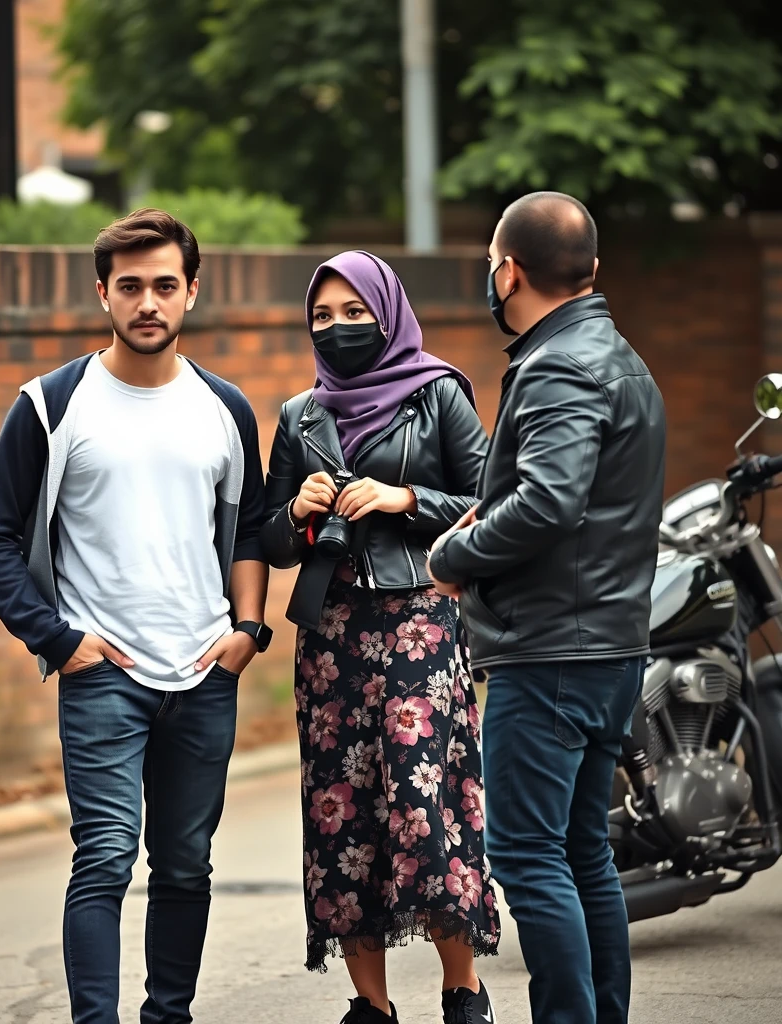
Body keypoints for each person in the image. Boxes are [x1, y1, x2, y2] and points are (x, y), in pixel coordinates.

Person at [0, 209, 271, 1024]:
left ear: (191, 292)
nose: (148, 302)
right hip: (104, 677)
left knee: (184, 864)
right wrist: (59, 641)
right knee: (102, 859)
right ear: (103, 293)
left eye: (164, 285)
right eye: (129, 286)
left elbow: (247, 526)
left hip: (205, 675)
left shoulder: (226, 409)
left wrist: (248, 632)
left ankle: (167, 1015)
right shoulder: (51, 405)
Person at [427, 192, 667, 1024]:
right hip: (607, 649)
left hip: (551, 653)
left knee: (529, 858)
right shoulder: (617, 355)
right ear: (592, 270)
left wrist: (453, 554)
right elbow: (570, 498)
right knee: (582, 853)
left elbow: (550, 501)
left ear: (508, 270)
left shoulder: (560, 363)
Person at [261, 250, 501, 1024]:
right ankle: (372, 1006)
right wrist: (298, 510)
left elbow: (491, 500)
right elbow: (266, 539)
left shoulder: (439, 395)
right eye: (321, 317)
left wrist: (403, 497)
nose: (337, 329)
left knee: (425, 807)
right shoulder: (300, 416)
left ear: (387, 312)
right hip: (330, 634)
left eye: (354, 313)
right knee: (342, 815)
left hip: (419, 622)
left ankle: (461, 991)